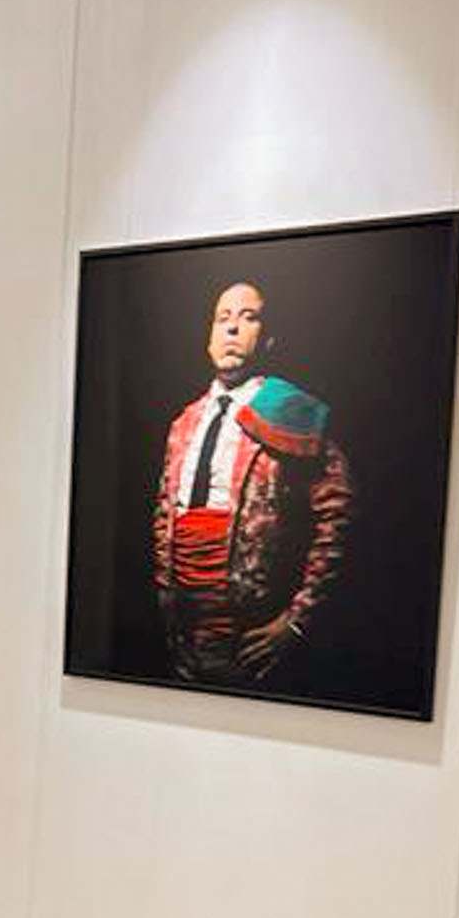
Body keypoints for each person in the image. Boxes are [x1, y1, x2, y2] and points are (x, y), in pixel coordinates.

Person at [150, 281, 352, 685]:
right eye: (222, 318)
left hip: (255, 643)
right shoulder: (184, 423)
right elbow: (162, 517)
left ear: (269, 337)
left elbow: (337, 519)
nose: (232, 328)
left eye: (248, 317)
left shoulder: (291, 412)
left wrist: (296, 621)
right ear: (208, 338)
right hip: (183, 640)